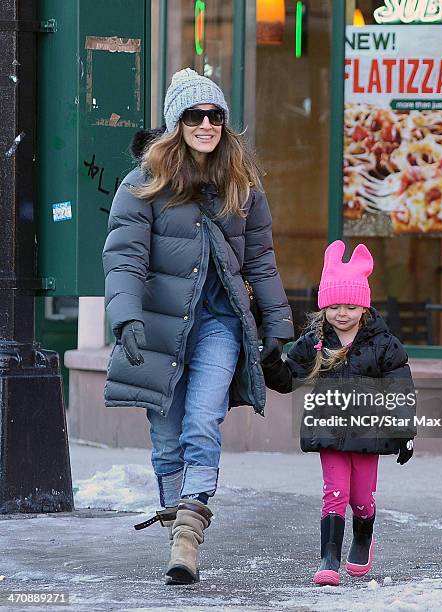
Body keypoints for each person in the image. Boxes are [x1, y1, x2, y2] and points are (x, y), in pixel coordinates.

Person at [102, 68, 293, 585]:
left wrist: (277, 327)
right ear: (176, 122)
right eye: (194, 115)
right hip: (161, 325)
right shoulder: (143, 182)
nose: (206, 124)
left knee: (201, 423)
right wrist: (126, 317)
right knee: (166, 439)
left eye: (214, 115)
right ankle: (175, 534)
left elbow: (262, 263)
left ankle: (189, 533)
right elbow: (124, 258)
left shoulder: (242, 185)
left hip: (219, 324)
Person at [261, 240, 416, 587]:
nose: (341, 313)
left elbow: (399, 389)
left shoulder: (383, 345)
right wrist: (270, 361)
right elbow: (289, 379)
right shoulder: (315, 342)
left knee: (361, 497)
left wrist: (404, 433)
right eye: (333, 306)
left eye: (349, 306)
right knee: (335, 493)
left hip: (368, 432)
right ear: (324, 307)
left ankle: (363, 535)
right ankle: (328, 558)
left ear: (363, 308)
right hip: (329, 430)